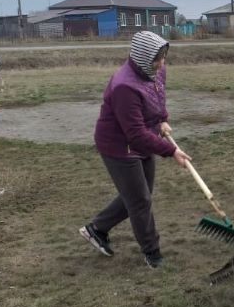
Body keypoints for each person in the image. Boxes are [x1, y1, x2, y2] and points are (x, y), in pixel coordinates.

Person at [79, 31, 191, 269]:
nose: (161, 64)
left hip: (143, 138)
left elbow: (158, 98)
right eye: (156, 59)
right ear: (142, 58)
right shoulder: (124, 86)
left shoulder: (156, 71)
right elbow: (136, 135)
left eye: (163, 57)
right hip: (118, 146)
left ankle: (96, 229)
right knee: (140, 201)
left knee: (139, 196)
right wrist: (170, 152)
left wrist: (162, 119)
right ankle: (153, 253)